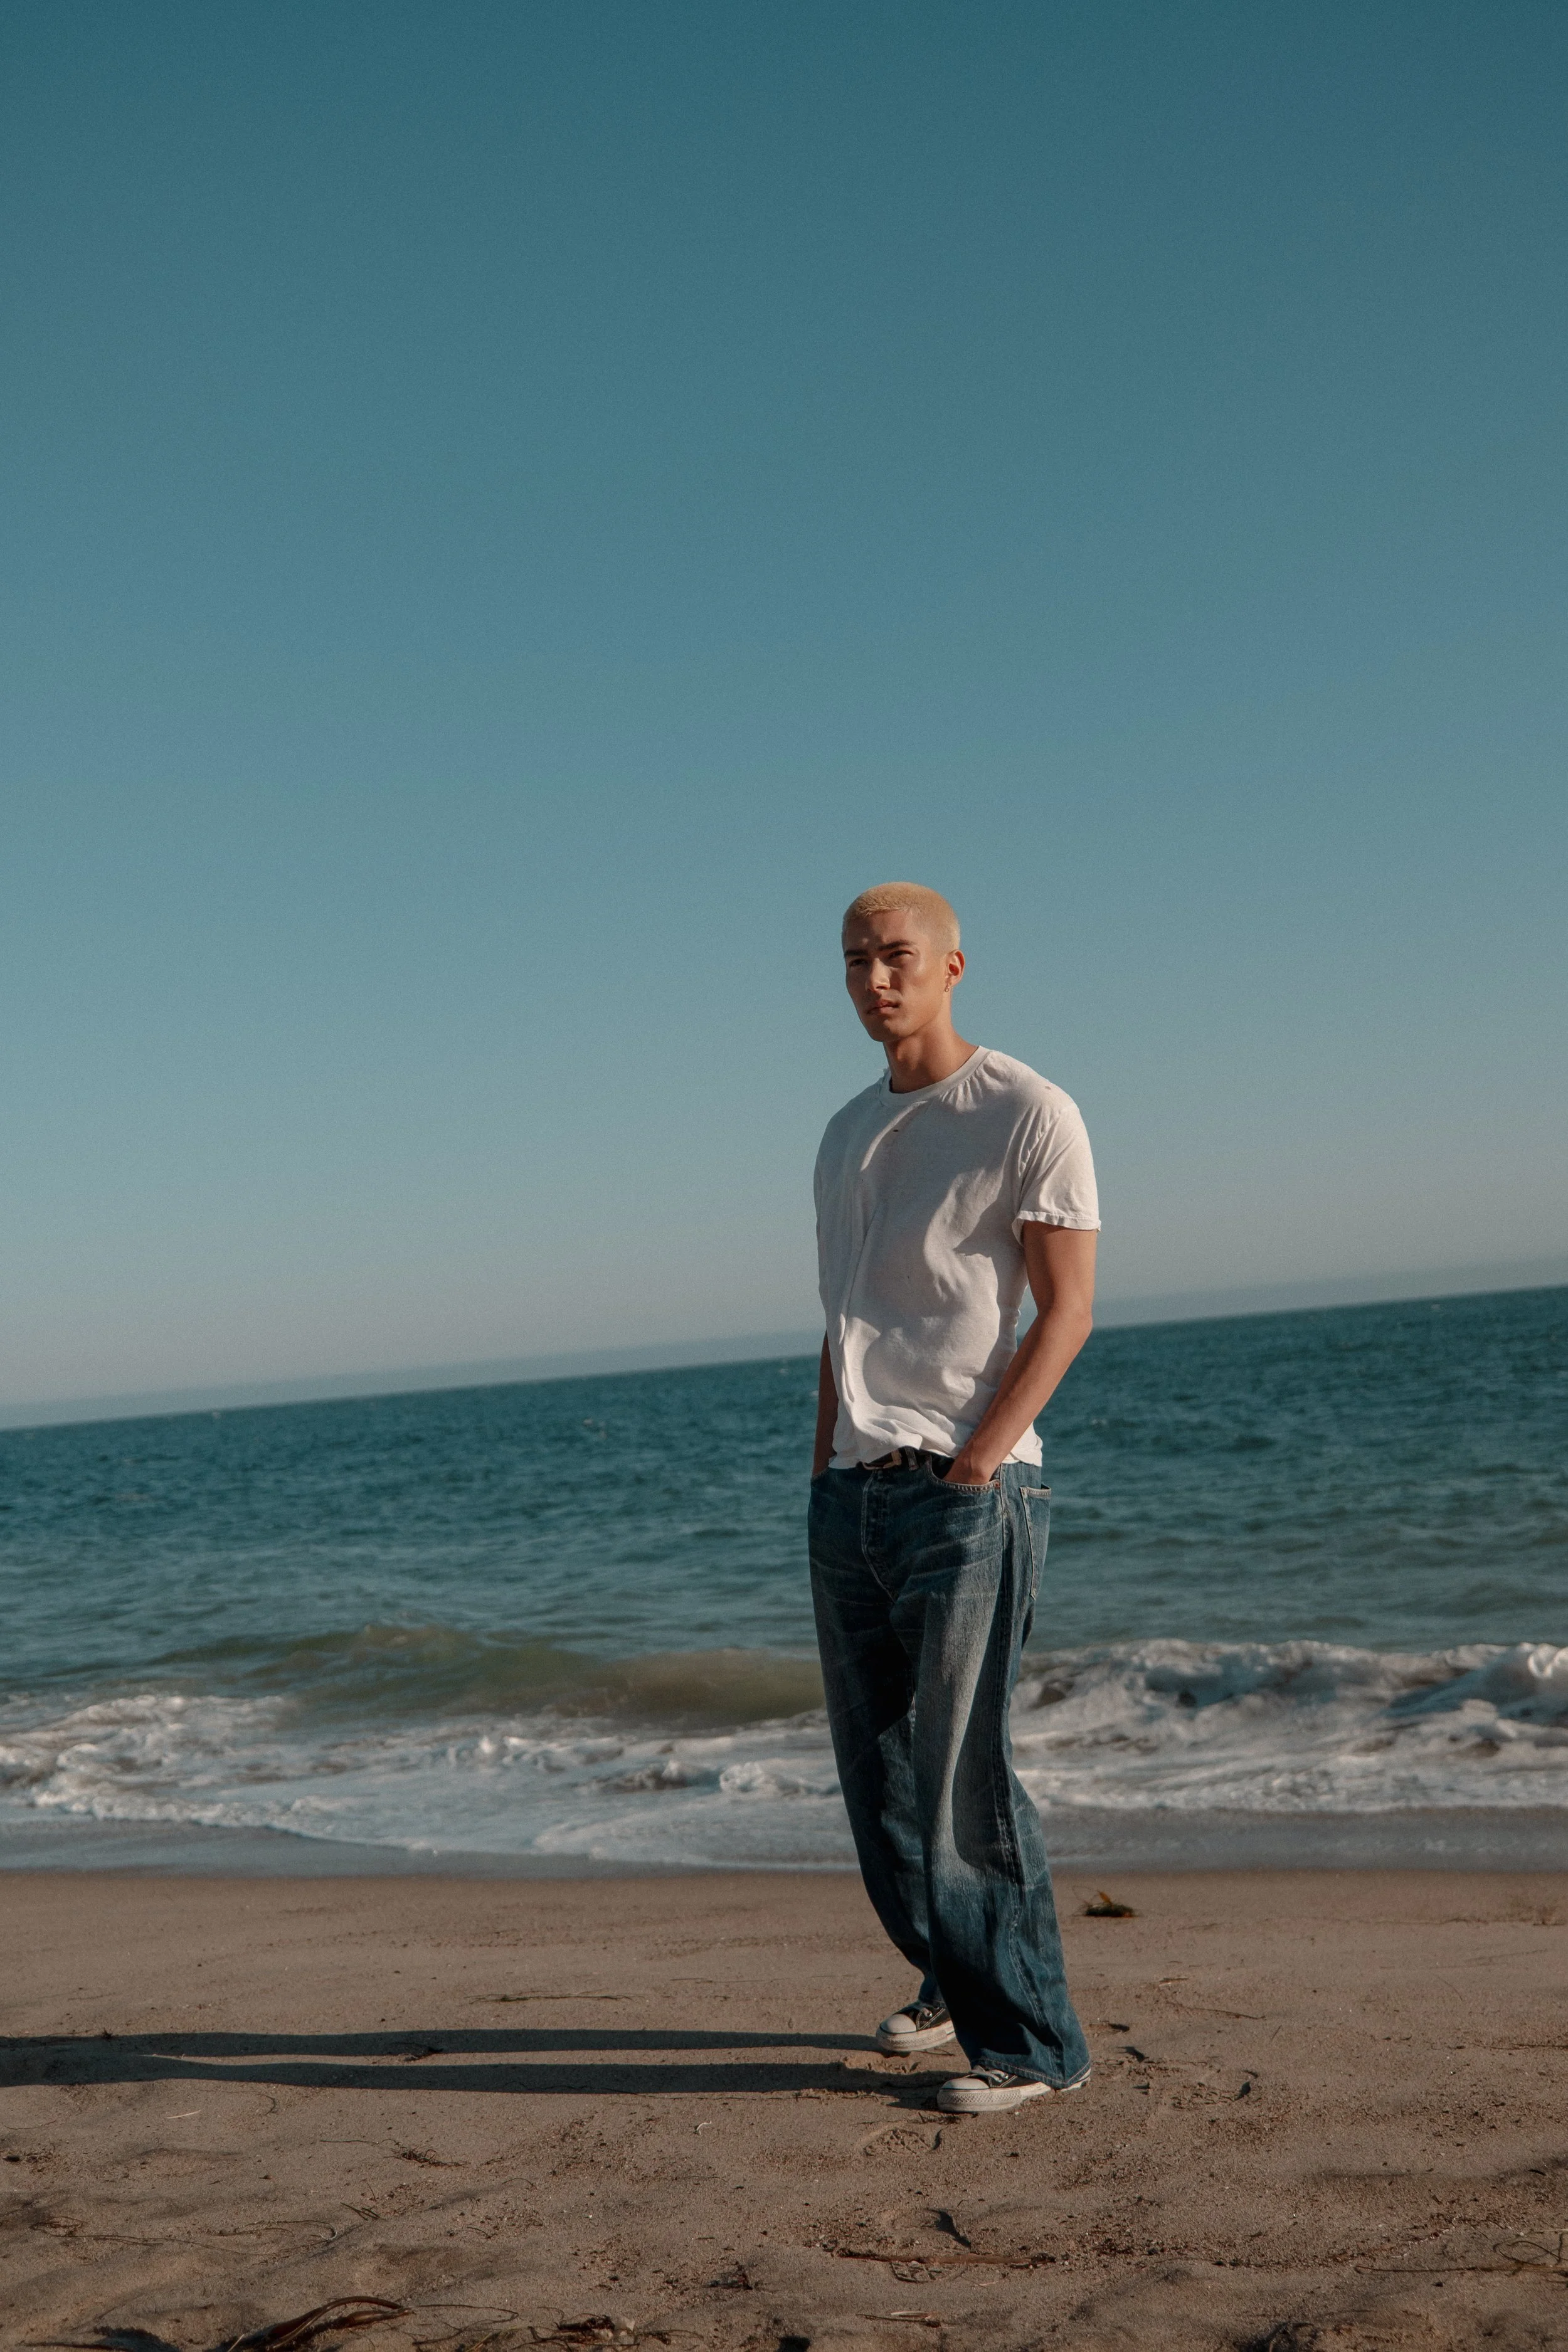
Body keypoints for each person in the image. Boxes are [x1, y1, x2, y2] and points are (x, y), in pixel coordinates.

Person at [808, 881, 1099, 2116]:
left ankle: (1033, 2048)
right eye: (855, 960)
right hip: (849, 1495)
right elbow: (842, 1320)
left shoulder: (1025, 1109)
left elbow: (1066, 1310)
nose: (877, 978)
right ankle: (947, 1977)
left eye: (897, 956)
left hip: (965, 1494)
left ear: (953, 966)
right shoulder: (838, 1133)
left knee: (959, 1778)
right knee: (876, 1783)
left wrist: (978, 1461)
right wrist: (818, 1465)